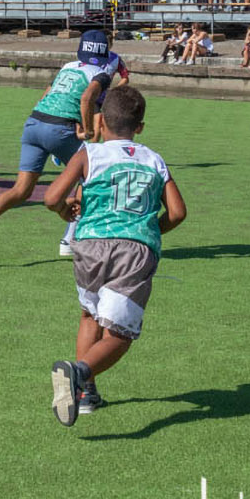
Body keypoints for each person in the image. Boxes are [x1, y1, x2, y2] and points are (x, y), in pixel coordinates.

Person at [42, 85, 186, 425]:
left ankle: (86, 394)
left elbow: (51, 198)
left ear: (101, 123)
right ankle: (79, 372)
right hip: (134, 251)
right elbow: (178, 212)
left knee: (89, 316)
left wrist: (66, 212)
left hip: (90, 246)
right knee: (120, 336)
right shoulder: (154, 159)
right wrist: (149, 232)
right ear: (140, 128)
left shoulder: (88, 154)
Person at [0, 30, 125, 269]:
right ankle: (69, 238)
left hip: (34, 122)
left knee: (21, 190)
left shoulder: (67, 66)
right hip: (60, 128)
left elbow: (47, 94)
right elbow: (87, 99)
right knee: (92, 175)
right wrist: (86, 131)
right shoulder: (102, 73)